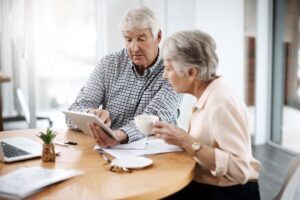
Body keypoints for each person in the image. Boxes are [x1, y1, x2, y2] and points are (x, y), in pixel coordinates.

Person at [152, 30, 261, 200]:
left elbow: (240, 170)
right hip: (210, 186)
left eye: (168, 68)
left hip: (230, 193)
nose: (164, 76)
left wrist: (185, 140)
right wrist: (176, 137)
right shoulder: (207, 96)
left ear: (191, 73)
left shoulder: (221, 102)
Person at [66, 6, 182, 147]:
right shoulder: (108, 64)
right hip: (110, 151)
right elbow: (73, 113)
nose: (134, 47)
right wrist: (91, 115)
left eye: (141, 39)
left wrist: (119, 136)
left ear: (158, 36)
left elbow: (152, 120)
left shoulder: (173, 70)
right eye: (128, 39)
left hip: (157, 153)